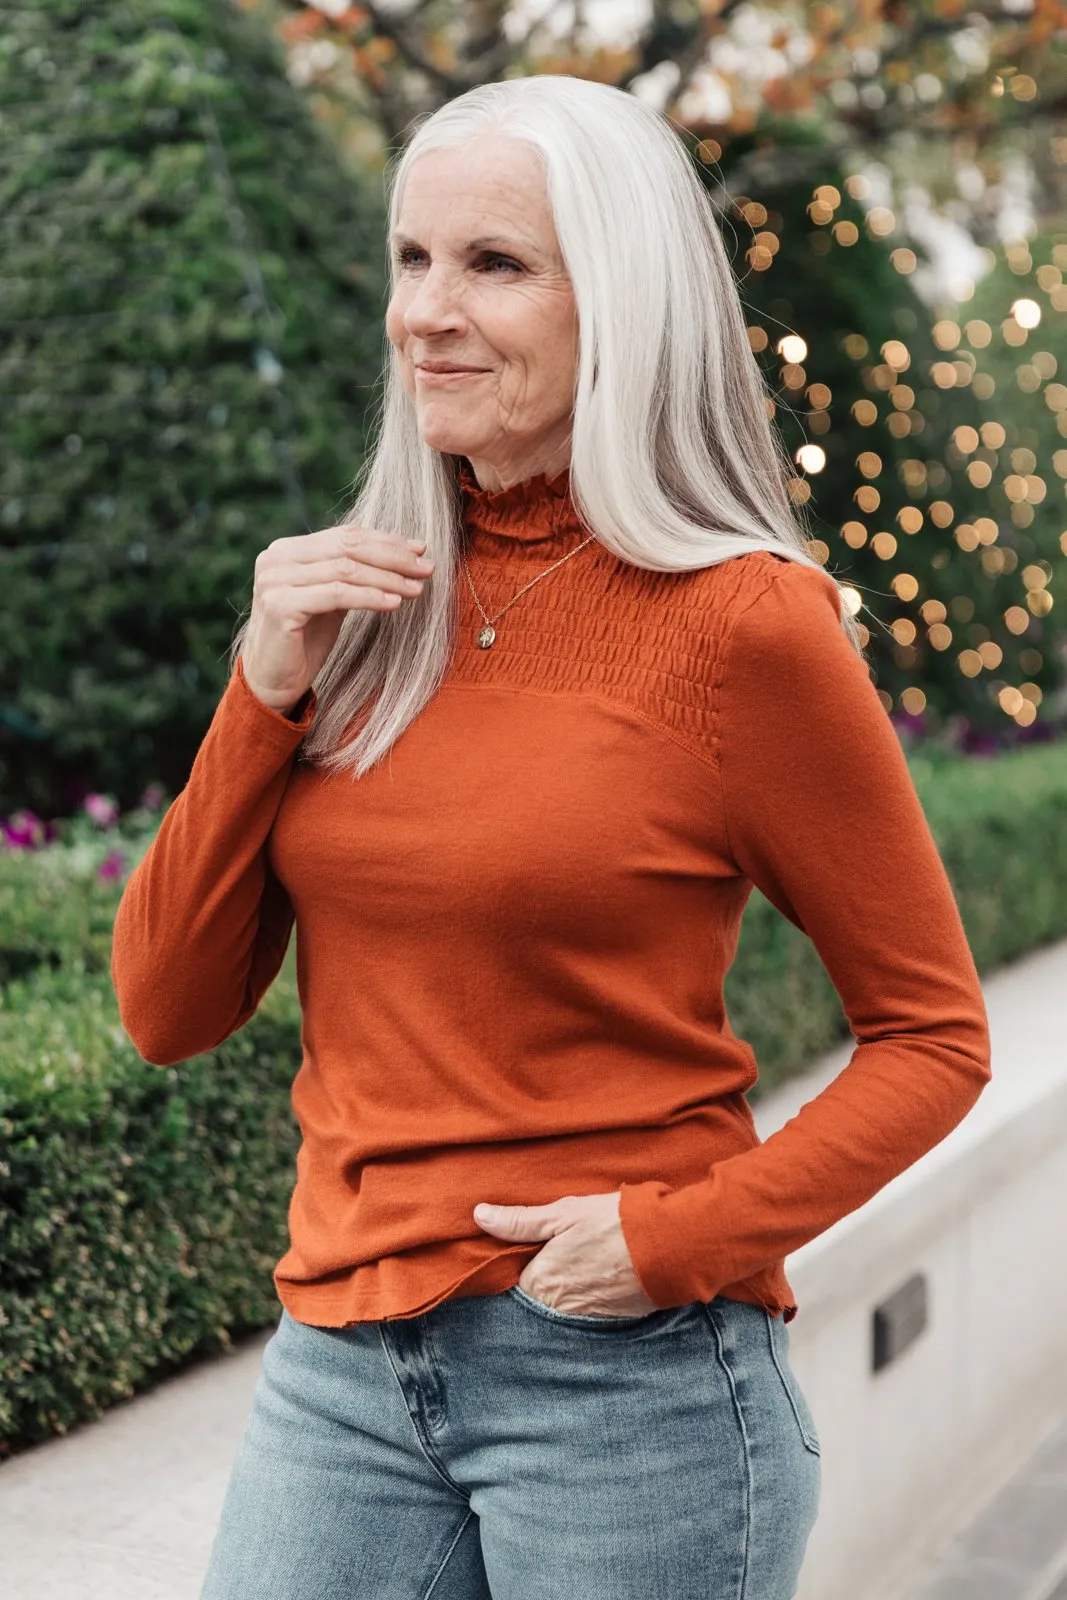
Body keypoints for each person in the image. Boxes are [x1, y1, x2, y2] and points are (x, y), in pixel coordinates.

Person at [111, 73, 992, 1600]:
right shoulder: (362, 607)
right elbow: (166, 1012)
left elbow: (933, 1037)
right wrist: (259, 695)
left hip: (624, 1390)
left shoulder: (744, 626)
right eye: (409, 260)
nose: (425, 313)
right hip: (338, 1365)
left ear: (622, 303)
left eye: (493, 265)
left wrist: (676, 1243)